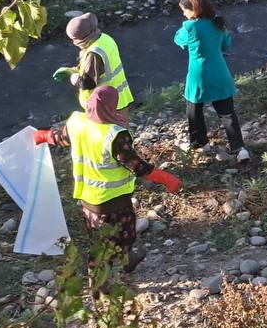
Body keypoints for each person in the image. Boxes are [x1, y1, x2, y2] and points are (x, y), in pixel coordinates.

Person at [33, 85, 180, 271]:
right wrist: (165, 178)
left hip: (89, 199)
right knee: (123, 233)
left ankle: (119, 265)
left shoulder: (77, 122)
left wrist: (43, 135)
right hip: (114, 199)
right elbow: (136, 166)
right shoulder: (113, 136)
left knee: (99, 238)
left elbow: (60, 138)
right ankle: (101, 282)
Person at [174, 0, 249, 162]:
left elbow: (178, 40)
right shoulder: (218, 23)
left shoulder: (189, 27)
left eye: (184, 11)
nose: (184, 14)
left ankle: (201, 144)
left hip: (198, 76)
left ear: (193, 10)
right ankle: (240, 149)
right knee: (227, 114)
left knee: (194, 111)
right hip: (220, 73)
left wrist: (188, 24)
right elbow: (226, 45)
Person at [53, 12, 134, 118]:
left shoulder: (93, 54)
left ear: (81, 40)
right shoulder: (105, 39)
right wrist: (73, 69)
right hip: (119, 99)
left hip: (104, 105)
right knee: (122, 132)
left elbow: (88, 83)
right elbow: (99, 69)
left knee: (108, 134)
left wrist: (73, 77)